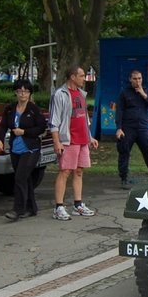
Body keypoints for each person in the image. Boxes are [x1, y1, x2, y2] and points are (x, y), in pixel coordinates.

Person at [49, 66, 99, 221]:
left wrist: (90, 137)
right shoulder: (60, 94)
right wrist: (57, 141)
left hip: (82, 139)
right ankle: (59, 207)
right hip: (68, 140)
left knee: (79, 171)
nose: (84, 78)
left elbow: (84, 118)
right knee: (65, 171)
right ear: (72, 77)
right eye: (82, 76)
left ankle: (78, 205)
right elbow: (54, 121)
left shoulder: (81, 94)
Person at [0, 79, 47, 221]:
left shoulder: (34, 110)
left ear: (30, 93)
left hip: (30, 148)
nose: (23, 94)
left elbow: (41, 128)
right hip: (15, 148)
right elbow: (3, 126)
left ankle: (17, 209)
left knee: (20, 177)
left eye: (26, 91)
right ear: (15, 92)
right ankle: (31, 208)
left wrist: (24, 132)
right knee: (25, 179)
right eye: (20, 91)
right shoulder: (10, 109)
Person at [115, 70, 148, 186]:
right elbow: (119, 110)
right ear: (130, 79)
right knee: (124, 151)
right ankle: (124, 177)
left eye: (139, 78)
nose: (138, 81)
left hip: (142, 127)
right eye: (135, 79)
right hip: (127, 127)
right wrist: (119, 128)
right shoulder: (124, 93)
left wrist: (144, 95)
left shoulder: (146, 91)